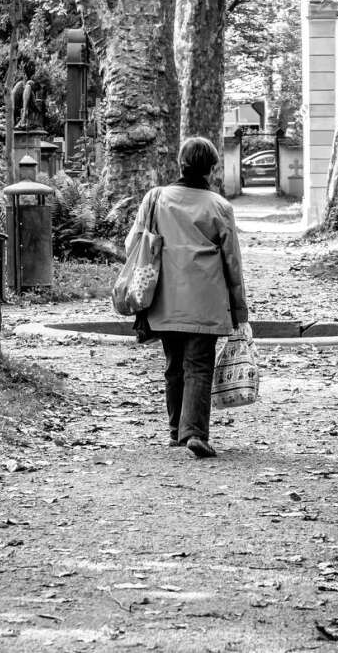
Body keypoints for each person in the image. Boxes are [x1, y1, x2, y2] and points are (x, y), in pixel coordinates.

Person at [125, 136, 249, 458]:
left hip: (164, 298)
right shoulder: (219, 207)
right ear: (211, 169)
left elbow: (132, 245)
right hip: (206, 302)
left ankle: (174, 432)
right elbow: (232, 262)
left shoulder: (155, 199)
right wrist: (240, 311)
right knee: (199, 366)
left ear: (180, 164)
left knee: (174, 365)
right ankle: (194, 432)